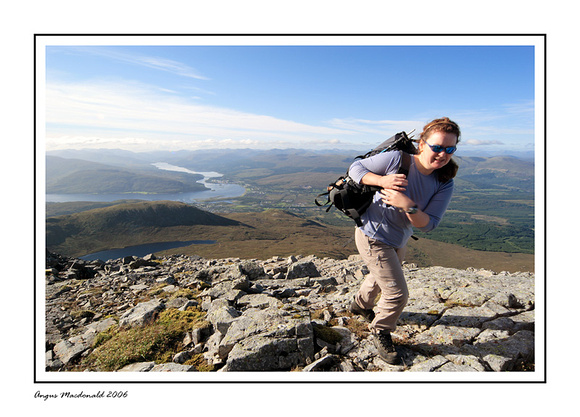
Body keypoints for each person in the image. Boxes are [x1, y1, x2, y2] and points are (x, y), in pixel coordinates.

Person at [347, 117, 460, 365]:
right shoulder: (398, 159)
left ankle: (359, 306)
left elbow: (429, 223)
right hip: (372, 234)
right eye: (437, 147)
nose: (442, 154)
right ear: (422, 144)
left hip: (399, 238)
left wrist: (407, 206)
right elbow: (355, 169)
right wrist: (381, 180)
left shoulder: (443, 182)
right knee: (397, 294)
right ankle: (381, 330)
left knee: (379, 276)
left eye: (449, 149)